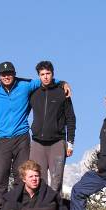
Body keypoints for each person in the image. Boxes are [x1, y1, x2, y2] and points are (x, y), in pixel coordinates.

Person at [0, 61, 70, 210]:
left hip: (22, 137)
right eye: (3, 74)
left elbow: (45, 79)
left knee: (20, 175)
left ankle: (19, 207)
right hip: (2, 138)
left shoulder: (25, 86)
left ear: (14, 74)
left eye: (9, 74)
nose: (7, 77)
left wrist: (63, 83)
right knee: (1, 174)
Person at [29, 61, 76, 193]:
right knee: (37, 180)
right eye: (42, 74)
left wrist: (70, 143)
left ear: (53, 74)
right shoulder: (33, 93)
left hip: (57, 143)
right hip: (38, 143)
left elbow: (71, 118)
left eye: (48, 73)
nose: (45, 77)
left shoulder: (62, 93)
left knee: (57, 181)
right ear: (39, 76)